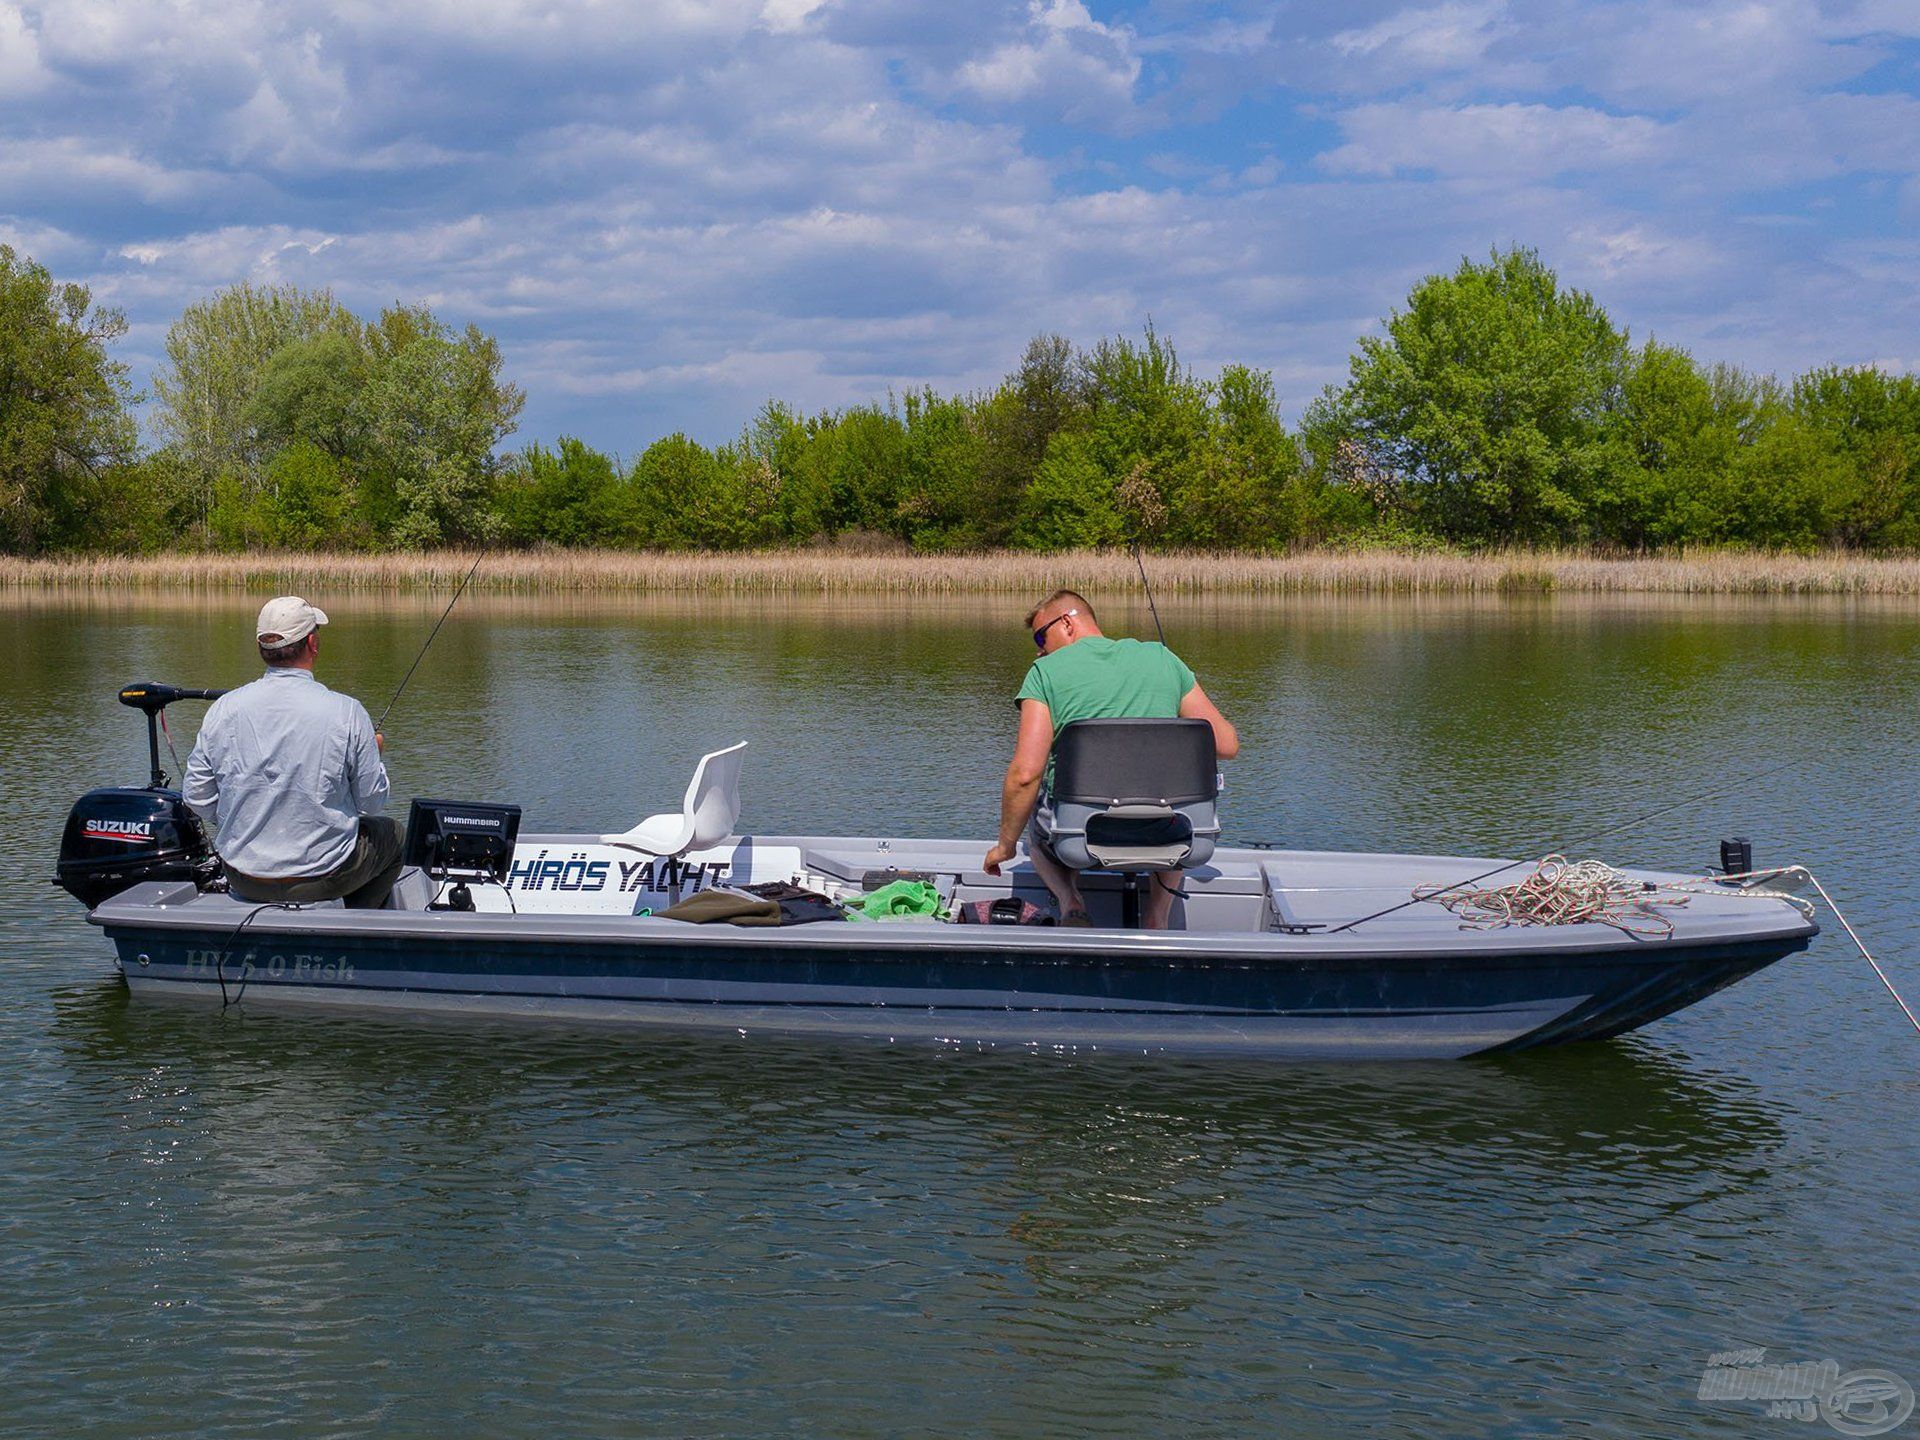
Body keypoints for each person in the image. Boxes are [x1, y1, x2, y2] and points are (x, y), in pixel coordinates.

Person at [983, 589, 1239, 929]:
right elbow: (1226, 744)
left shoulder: (1044, 674)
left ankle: (1071, 903)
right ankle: (1156, 918)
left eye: (1041, 637)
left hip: (1079, 838)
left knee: (1035, 830)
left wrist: (1004, 845)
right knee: (1180, 800)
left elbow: (1026, 774)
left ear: (1068, 623)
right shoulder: (1162, 658)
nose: (1040, 650)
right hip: (1166, 831)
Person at [184, 596, 402, 909]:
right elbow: (372, 802)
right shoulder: (347, 712)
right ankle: (355, 929)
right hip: (321, 877)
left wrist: (243, 820)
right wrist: (374, 756)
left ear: (262, 648)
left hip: (242, 875)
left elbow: (197, 797)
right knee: (394, 835)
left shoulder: (223, 709)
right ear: (312, 643)